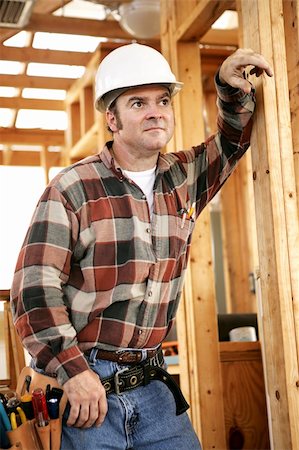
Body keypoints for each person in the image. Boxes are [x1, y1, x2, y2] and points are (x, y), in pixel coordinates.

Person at [10, 43, 272, 449]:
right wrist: (74, 372)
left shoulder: (183, 177)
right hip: (85, 390)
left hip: (155, 386)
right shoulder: (71, 188)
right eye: (138, 103)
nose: (156, 111)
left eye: (163, 100)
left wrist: (228, 85)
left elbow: (233, 140)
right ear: (111, 118)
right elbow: (33, 293)